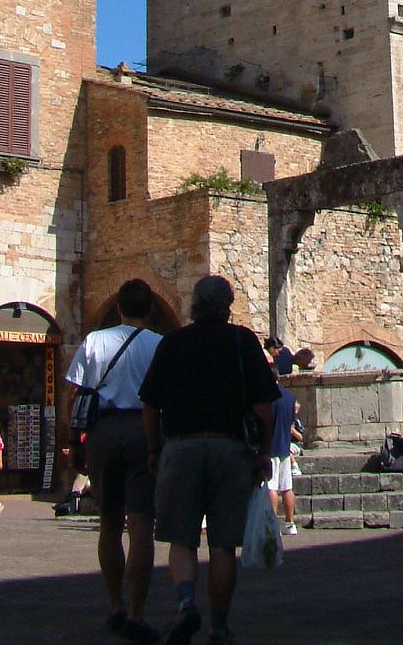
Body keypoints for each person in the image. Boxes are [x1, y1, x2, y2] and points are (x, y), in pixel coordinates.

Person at [139, 276, 278, 645]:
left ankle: (186, 603)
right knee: (222, 544)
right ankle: (218, 626)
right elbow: (265, 408)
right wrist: (264, 452)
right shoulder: (242, 341)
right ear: (228, 306)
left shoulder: (173, 342)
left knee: (182, 538)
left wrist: (154, 448)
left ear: (194, 304)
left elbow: (149, 404)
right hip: (230, 449)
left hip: (181, 448)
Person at [64, 278, 164, 643]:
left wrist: (74, 441)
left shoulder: (95, 341)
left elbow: (76, 392)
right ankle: (138, 612)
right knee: (141, 524)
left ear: (119, 307)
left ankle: (115, 605)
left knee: (109, 520)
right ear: (150, 309)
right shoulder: (159, 345)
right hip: (143, 429)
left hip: (104, 431)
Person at [267, 384, 300, 536]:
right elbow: (291, 423)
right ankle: (290, 523)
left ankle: (273, 524)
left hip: (270, 446)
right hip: (285, 445)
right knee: (287, 487)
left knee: (271, 487)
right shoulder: (289, 397)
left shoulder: (267, 397)